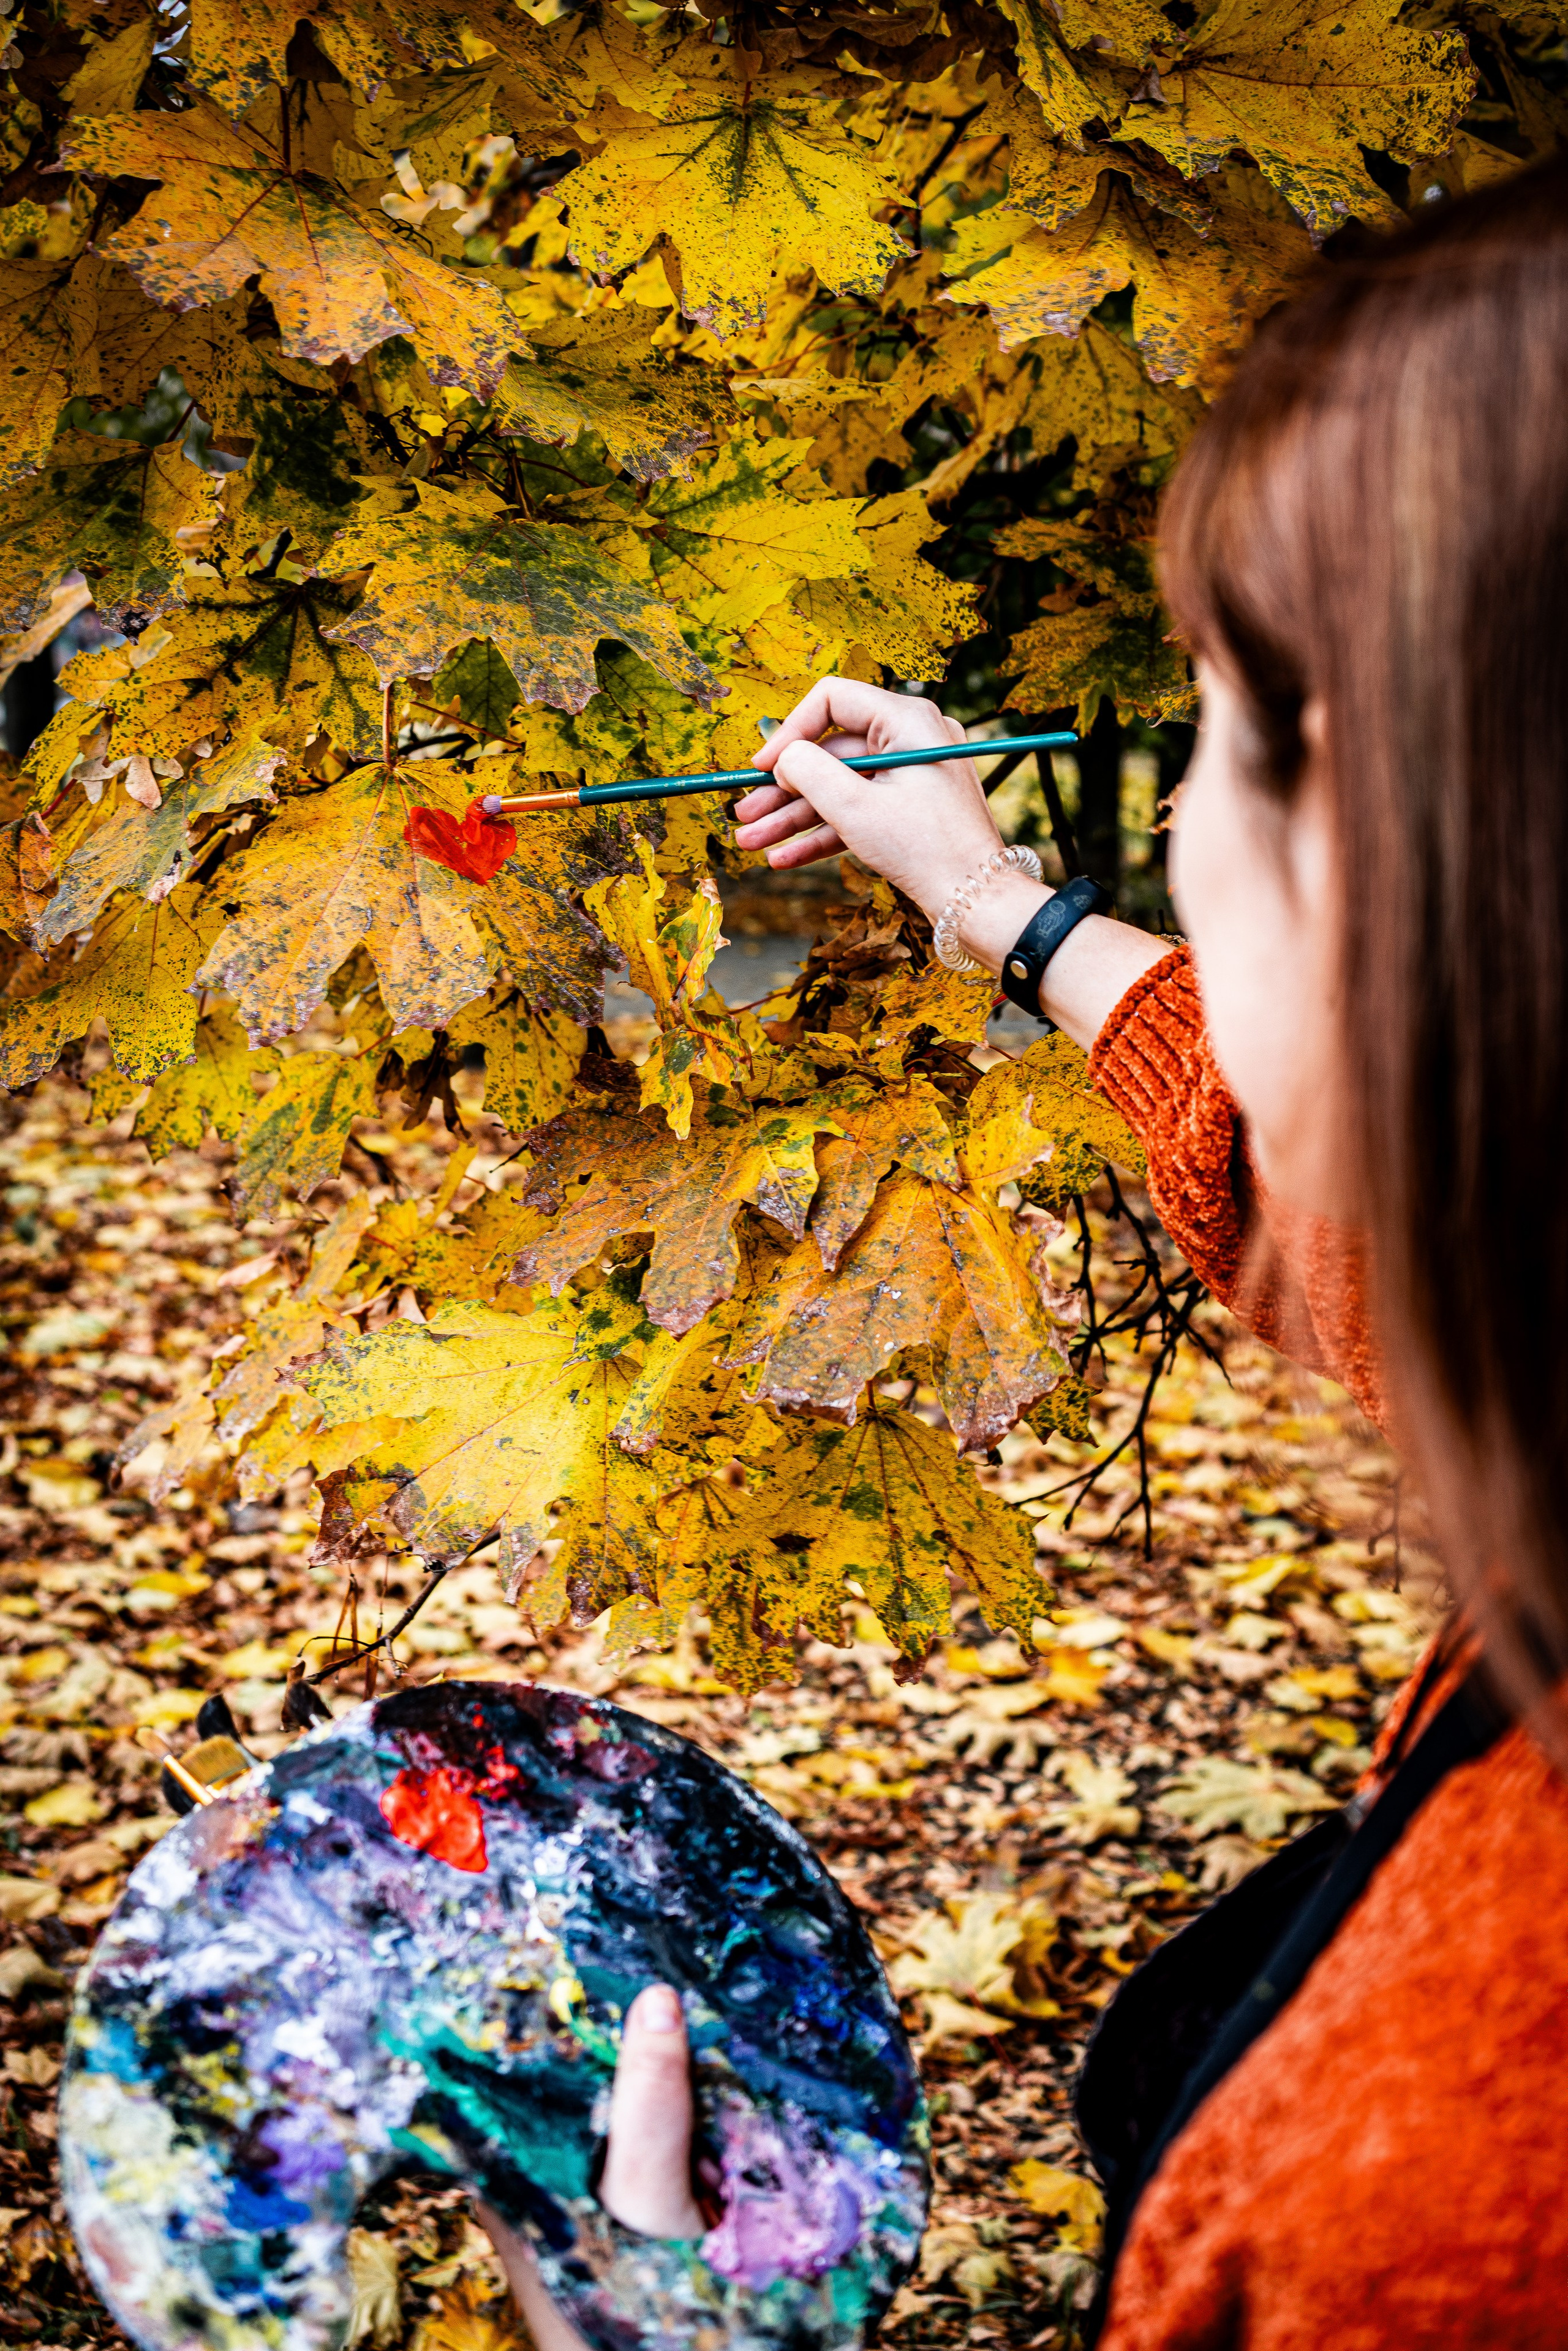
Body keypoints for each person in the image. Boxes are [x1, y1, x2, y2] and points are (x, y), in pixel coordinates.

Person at [489, 157, 1568, 2345]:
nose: (1176, 814)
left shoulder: (1455, 2201)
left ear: (1410, 857)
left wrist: (657, 2330)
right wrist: (1001, 905)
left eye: (1215, 729)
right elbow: (1367, 1220)